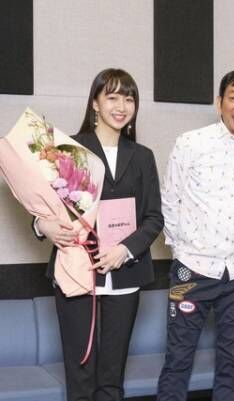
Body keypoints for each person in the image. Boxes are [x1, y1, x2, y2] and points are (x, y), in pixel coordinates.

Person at [34, 68, 164, 400]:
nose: (121, 106)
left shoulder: (143, 156)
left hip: (126, 273)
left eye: (129, 98)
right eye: (112, 97)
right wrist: (42, 226)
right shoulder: (67, 149)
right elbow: (44, 208)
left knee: (112, 376)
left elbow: (153, 217)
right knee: (80, 374)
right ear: (95, 102)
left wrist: (125, 250)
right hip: (77, 270)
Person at [157, 69, 234, 401]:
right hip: (192, 268)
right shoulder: (191, 143)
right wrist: (182, 251)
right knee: (178, 358)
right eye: (233, 98)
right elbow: (169, 200)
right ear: (220, 103)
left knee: (231, 359)